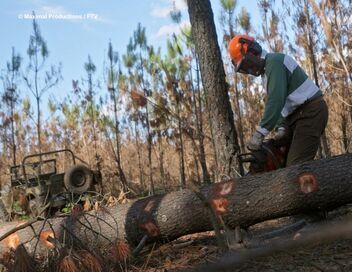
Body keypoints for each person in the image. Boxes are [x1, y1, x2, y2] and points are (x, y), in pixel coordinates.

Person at [228, 34, 328, 166]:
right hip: (295, 117)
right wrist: (280, 126)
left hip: (310, 112)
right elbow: (281, 105)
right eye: (245, 68)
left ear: (254, 51)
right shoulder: (266, 74)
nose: (249, 69)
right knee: (276, 161)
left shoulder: (274, 62)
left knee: (296, 166)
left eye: (247, 63)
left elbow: (276, 100)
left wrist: (260, 132)